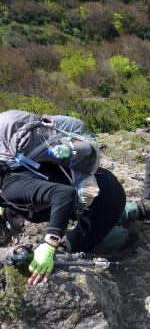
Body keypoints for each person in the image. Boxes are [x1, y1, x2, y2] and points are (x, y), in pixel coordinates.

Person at [0, 110, 126, 285]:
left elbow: (63, 194)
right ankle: (131, 212)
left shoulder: (10, 188)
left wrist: (50, 245)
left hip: (107, 199)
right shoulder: (8, 160)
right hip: (96, 184)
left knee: (81, 246)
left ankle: (129, 225)